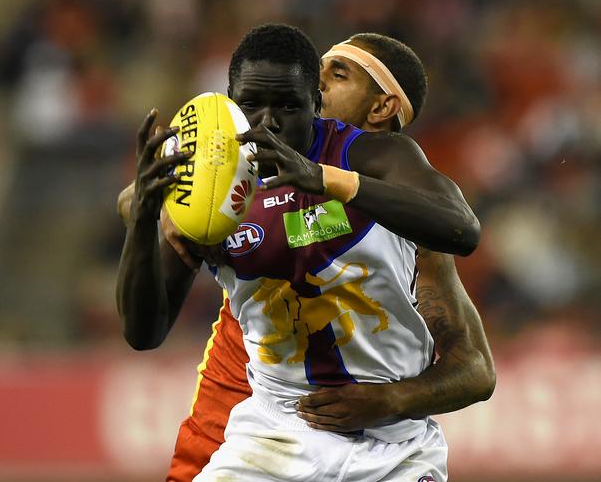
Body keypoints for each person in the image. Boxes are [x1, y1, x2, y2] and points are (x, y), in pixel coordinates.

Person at [117, 29, 495, 481]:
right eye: (253, 103)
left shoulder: (382, 168)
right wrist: (143, 215)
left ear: (314, 103)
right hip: (274, 427)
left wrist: (324, 178)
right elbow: (143, 330)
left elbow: (464, 233)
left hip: (392, 444)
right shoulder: (213, 187)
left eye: (338, 76)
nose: (269, 121)